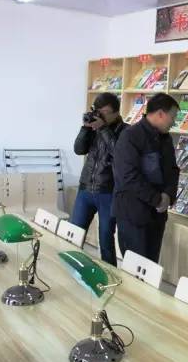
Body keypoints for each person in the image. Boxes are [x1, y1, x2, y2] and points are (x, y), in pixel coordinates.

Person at [112, 93, 180, 262]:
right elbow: (128, 176)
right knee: (135, 267)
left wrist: (168, 195)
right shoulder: (130, 136)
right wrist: (157, 199)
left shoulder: (165, 138)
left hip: (157, 215)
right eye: (173, 117)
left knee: (150, 266)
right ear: (160, 114)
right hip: (133, 214)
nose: (174, 122)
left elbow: (173, 170)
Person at [72, 92, 127, 266]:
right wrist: (85, 128)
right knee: (73, 234)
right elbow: (79, 150)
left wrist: (103, 129)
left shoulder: (126, 131)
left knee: (106, 239)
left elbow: (119, 154)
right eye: (97, 111)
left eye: (104, 112)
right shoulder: (93, 128)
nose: (100, 116)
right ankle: (72, 268)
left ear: (116, 113)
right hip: (86, 188)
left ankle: (110, 275)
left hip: (108, 192)